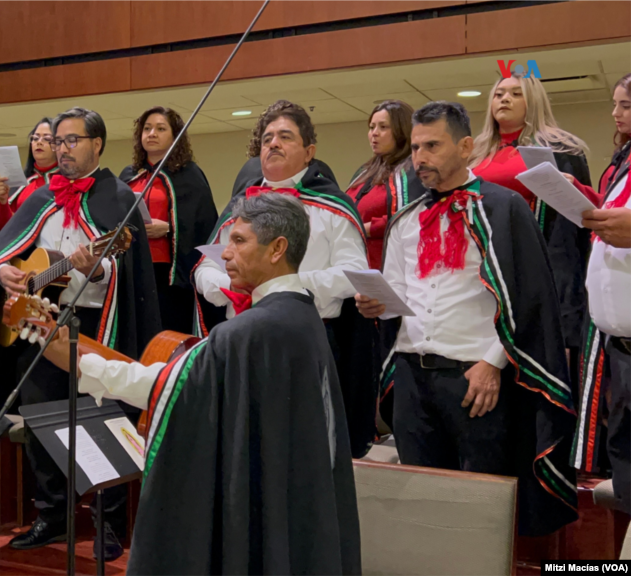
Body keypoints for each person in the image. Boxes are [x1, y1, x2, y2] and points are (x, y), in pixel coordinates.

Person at [42, 193, 361, 576]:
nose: (224, 254)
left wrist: (79, 362)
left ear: (278, 248)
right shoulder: (301, 313)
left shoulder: (251, 331)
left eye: (239, 241)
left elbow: (166, 387)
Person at [356, 101, 578, 537]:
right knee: (419, 500)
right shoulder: (405, 219)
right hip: (412, 375)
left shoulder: (504, 207)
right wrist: (378, 304)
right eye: (416, 147)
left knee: (479, 502)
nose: (419, 157)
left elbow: (529, 297)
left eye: (432, 146)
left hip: (475, 377)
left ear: (464, 146)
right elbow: (399, 292)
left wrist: (493, 363)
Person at [0, 107, 160, 559]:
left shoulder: (120, 197)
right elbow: (2, 250)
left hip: (99, 326)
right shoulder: (40, 196)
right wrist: (3, 274)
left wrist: (98, 271)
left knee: (104, 421)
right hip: (41, 323)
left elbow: (131, 275)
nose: (62, 148)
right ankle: (53, 516)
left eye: (72, 140)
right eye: (58, 141)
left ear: (97, 144)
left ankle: (108, 521)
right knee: (40, 420)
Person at [194, 100, 375, 457]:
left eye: (285, 137)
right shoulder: (239, 207)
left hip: (306, 340)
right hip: (240, 336)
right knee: (240, 444)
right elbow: (205, 266)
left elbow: (353, 273)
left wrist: (283, 290)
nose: (272, 144)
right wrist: (226, 287)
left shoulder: (333, 207)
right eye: (267, 138)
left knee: (302, 451)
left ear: (309, 152)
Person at [469, 75, 594, 362]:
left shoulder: (560, 149)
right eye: (499, 93)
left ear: (533, 101)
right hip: (482, 266)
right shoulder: (474, 153)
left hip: (537, 263)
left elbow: (572, 229)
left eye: (516, 93)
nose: (504, 99)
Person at [572, 72, 631, 504]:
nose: (616, 113)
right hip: (619, 345)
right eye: (615, 104)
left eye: (626, 105)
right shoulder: (623, 162)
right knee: (625, 461)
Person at [118, 106, 218, 333]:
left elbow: (203, 222)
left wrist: (171, 228)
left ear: (175, 136)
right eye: (147, 128)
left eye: (160, 128)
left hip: (170, 276)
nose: (152, 133)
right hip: (134, 269)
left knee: (168, 333)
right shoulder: (128, 175)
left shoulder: (189, 175)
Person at [345, 100, 414, 270]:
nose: (374, 133)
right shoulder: (365, 172)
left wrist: (366, 229)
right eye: (371, 127)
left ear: (402, 131)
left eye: (383, 127)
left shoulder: (412, 171)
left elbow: (409, 217)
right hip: (355, 262)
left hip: (387, 267)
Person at [0, 118, 60, 229]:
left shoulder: (69, 181)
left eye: (47, 138)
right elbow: (5, 228)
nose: (39, 142)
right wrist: (3, 201)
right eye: (35, 138)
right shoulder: (20, 184)